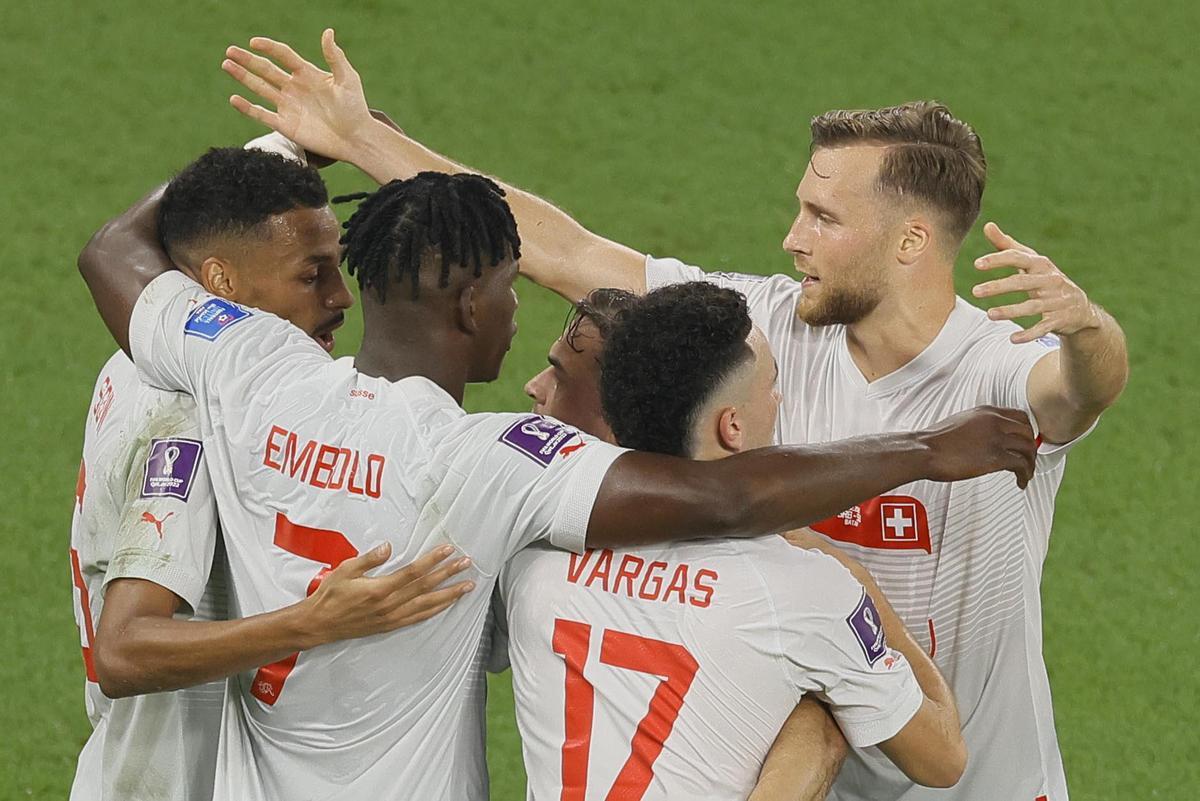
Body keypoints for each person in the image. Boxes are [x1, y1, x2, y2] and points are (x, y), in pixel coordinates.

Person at [221, 31, 1128, 800]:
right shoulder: (757, 330)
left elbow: (1080, 388)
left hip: (986, 782)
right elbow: (563, 250)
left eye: (822, 215)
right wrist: (364, 138)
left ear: (911, 241)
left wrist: (1089, 328)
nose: (792, 236)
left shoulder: (996, 372)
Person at [80, 158, 1034, 799]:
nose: (518, 309)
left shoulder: (249, 364)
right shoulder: (486, 462)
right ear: (468, 305)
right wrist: (929, 450)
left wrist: (259, 158)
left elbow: (110, 252)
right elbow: (727, 497)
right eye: (508, 288)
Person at [68, 141, 471, 801]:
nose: (342, 298)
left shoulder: (139, 358)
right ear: (220, 283)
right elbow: (125, 649)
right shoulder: (189, 414)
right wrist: (313, 620)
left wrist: (295, 146)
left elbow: (114, 246)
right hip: (172, 782)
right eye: (312, 275)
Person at [500, 282, 967, 799]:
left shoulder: (532, 557)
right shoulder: (804, 592)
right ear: (733, 427)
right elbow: (942, 757)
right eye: (771, 385)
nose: (780, 399)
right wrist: (853, 579)